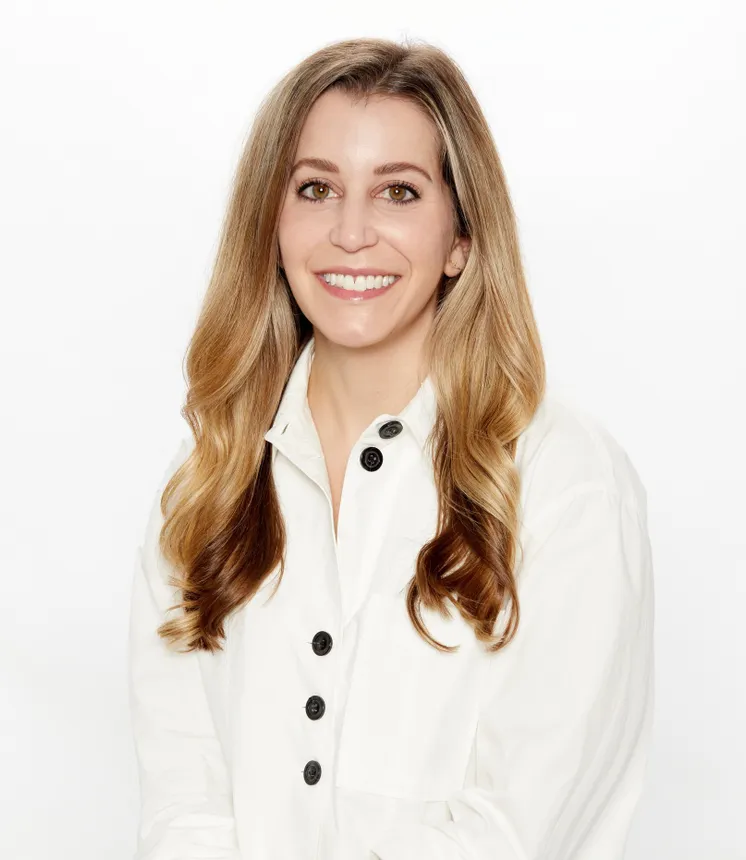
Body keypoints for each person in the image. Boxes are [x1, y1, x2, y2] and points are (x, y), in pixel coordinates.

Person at [127, 36, 654, 860]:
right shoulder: (206, 488)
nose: (350, 232)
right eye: (315, 189)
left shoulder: (563, 480)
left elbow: (517, 831)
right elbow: (185, 812)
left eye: (398, 192)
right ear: (272, 225)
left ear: (461, 240)